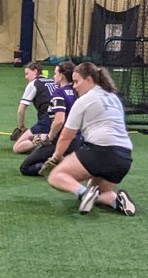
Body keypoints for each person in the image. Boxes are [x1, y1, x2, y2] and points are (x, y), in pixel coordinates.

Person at [40, 61, 137, 216]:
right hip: (124, 158)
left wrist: (56, 158)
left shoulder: (84, 100)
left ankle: (84, 194)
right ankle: (115, 200)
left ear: (89, 79)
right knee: (97, 190)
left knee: (56, 176)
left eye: (77, 81)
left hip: (101, 151)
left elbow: (66, 136)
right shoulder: (113, 98)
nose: (74, 86)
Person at [19, 60, 77, 176]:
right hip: (78, 140)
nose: (53, 76)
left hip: (61, 140)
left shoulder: (59, 93)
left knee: (25, 168)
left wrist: (48, 137)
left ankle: (61, 166)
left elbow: (59, 120)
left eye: (55, 73)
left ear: (61, 76)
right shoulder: (77, 91)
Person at [12, 61, 59, 152]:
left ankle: (43, 139)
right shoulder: (52, 81)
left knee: (17, 148)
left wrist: (21, 128)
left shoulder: (34, 84)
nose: (26, 77)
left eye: (27, 74)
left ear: (35, 71)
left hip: (47, 120)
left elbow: (21, 110)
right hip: (62, 118)